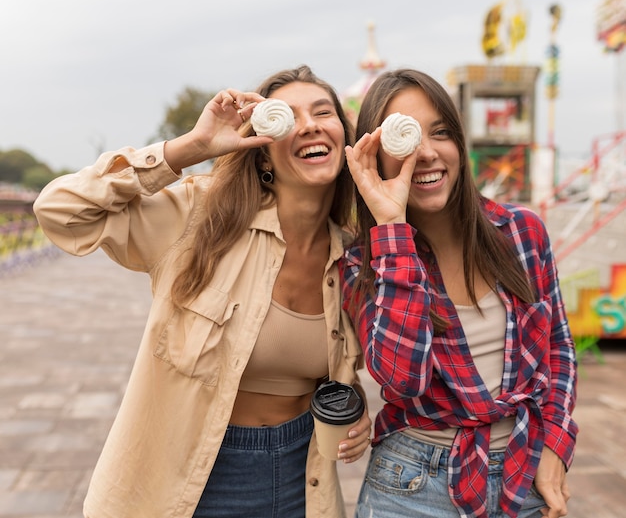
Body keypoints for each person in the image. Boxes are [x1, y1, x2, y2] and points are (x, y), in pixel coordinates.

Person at [34, 65, 371, 518]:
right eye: (287, 116)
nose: (309, 124)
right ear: (263, 152)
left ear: (343, 137)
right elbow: (61, 212)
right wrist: (188, 149)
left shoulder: (353, 257)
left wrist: (355, 408)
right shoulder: (199, 216)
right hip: (191, 480)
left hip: (304, 479)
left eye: (322, 112)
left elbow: (341, 368)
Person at [340, 68, 578, 518]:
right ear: (375, 158)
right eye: (404, 140)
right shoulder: (361, 264)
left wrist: (555, 446)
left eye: (441, 132)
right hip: (411, 484)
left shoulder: (522, 233)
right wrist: (391, 231)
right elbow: (401, 379)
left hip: (523, 471)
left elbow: (559, 348)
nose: (427, 153)